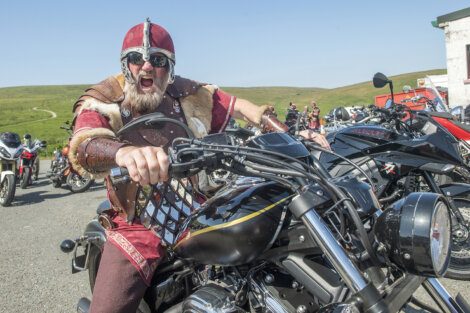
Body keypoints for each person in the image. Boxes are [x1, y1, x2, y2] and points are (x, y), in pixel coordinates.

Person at [68, 18, 329, 313]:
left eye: (157, 59)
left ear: (170, 66)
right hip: (138, 221)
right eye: (136, 58)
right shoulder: (106, 97)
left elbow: (246, 109)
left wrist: (291, 136)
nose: (147, 66)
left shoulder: (189, 93)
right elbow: (85, 142)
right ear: (125, 64)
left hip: (199, 207)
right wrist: (125, 153)